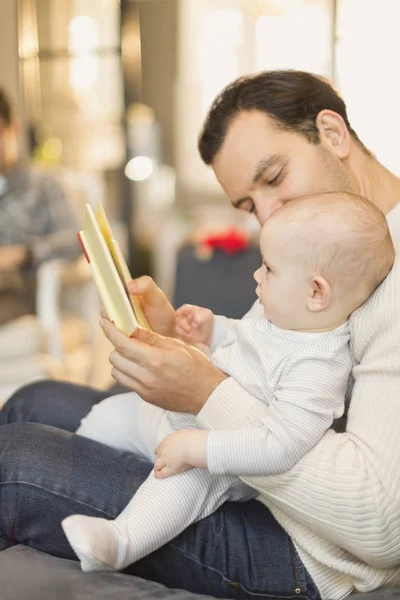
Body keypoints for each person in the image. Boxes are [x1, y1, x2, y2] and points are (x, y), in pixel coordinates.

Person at [1, 70, 400, 600]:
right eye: (249, 205)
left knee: (14, 461)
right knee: (33, 399)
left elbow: (381, 526)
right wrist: (186, 342)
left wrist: (206, 394)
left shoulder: (377, 276)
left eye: (275, 177)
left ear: (332, 133)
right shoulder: (318, 246)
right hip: (251, 482)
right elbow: (267, 368)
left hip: (304, 545)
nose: (268, 216)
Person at [61, 192, 394, 574]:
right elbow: (249, 339)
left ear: (316, 292)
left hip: (224, 461)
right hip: (185, 419)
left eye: (268, 268)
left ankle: (120, 542)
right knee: (109, 414)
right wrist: (214, 329)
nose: (256, 275)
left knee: (177, 488)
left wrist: (201, 449)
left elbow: (279, 446)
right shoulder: (288, 317)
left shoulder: (318, 368)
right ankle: (75, 457)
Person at [0, 87, 80, 325]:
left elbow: (76, 239)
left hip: (17, 294)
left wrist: (23, 252)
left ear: (11, 128)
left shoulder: (44, 184)